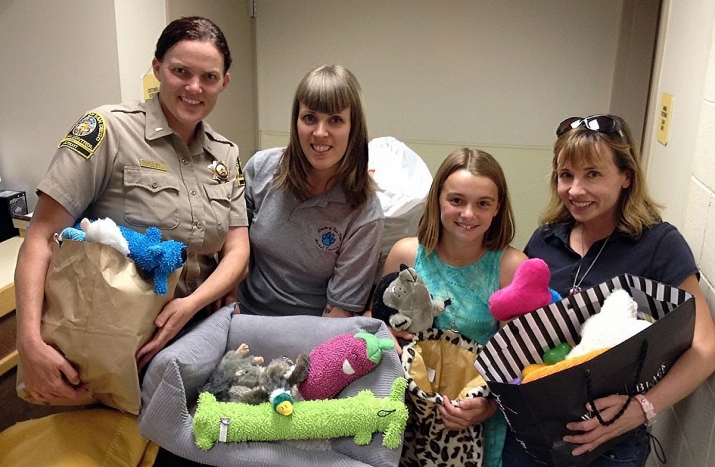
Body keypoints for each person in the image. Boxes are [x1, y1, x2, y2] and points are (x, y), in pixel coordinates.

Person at [14, 16, 250, 403]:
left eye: (208, 77)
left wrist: (192, 304)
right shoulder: (107, 129)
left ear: (224, 82)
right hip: (110, 343)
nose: (194, 87)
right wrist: (29, 341)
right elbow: (41, 236)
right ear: (157, 68)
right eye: (180, 72)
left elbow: (238, 249)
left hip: (196, 337)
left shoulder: (226, 154)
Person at [502, 114, 715, 466]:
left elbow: (705, 348)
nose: (575, 190)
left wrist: (642, 409)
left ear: (626, 177)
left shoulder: (659, 244)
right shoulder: (545, 239)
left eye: (593, 174)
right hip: (533, 437)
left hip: (611, 445)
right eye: (565, 175)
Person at [382, 148, 527, 467]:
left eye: (483, 204)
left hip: (474, 425)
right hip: (407, 418)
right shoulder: (405, 255)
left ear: (497, 208)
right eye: (457, 200)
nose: (469, 214)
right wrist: (386, 336)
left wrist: (488, 407)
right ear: (437, 200)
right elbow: (375, 321)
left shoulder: (511, 268)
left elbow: (521, 365)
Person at [236, 64, 384, 318]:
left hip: (312, 331)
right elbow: (233, 255)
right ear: (296, 122)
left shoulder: (365, 212)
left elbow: (339, 313)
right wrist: (232, 314)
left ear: (353, 128)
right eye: (310, 118)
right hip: (242, 315)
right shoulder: (260, 169)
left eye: (335, 120)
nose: (320, 133)